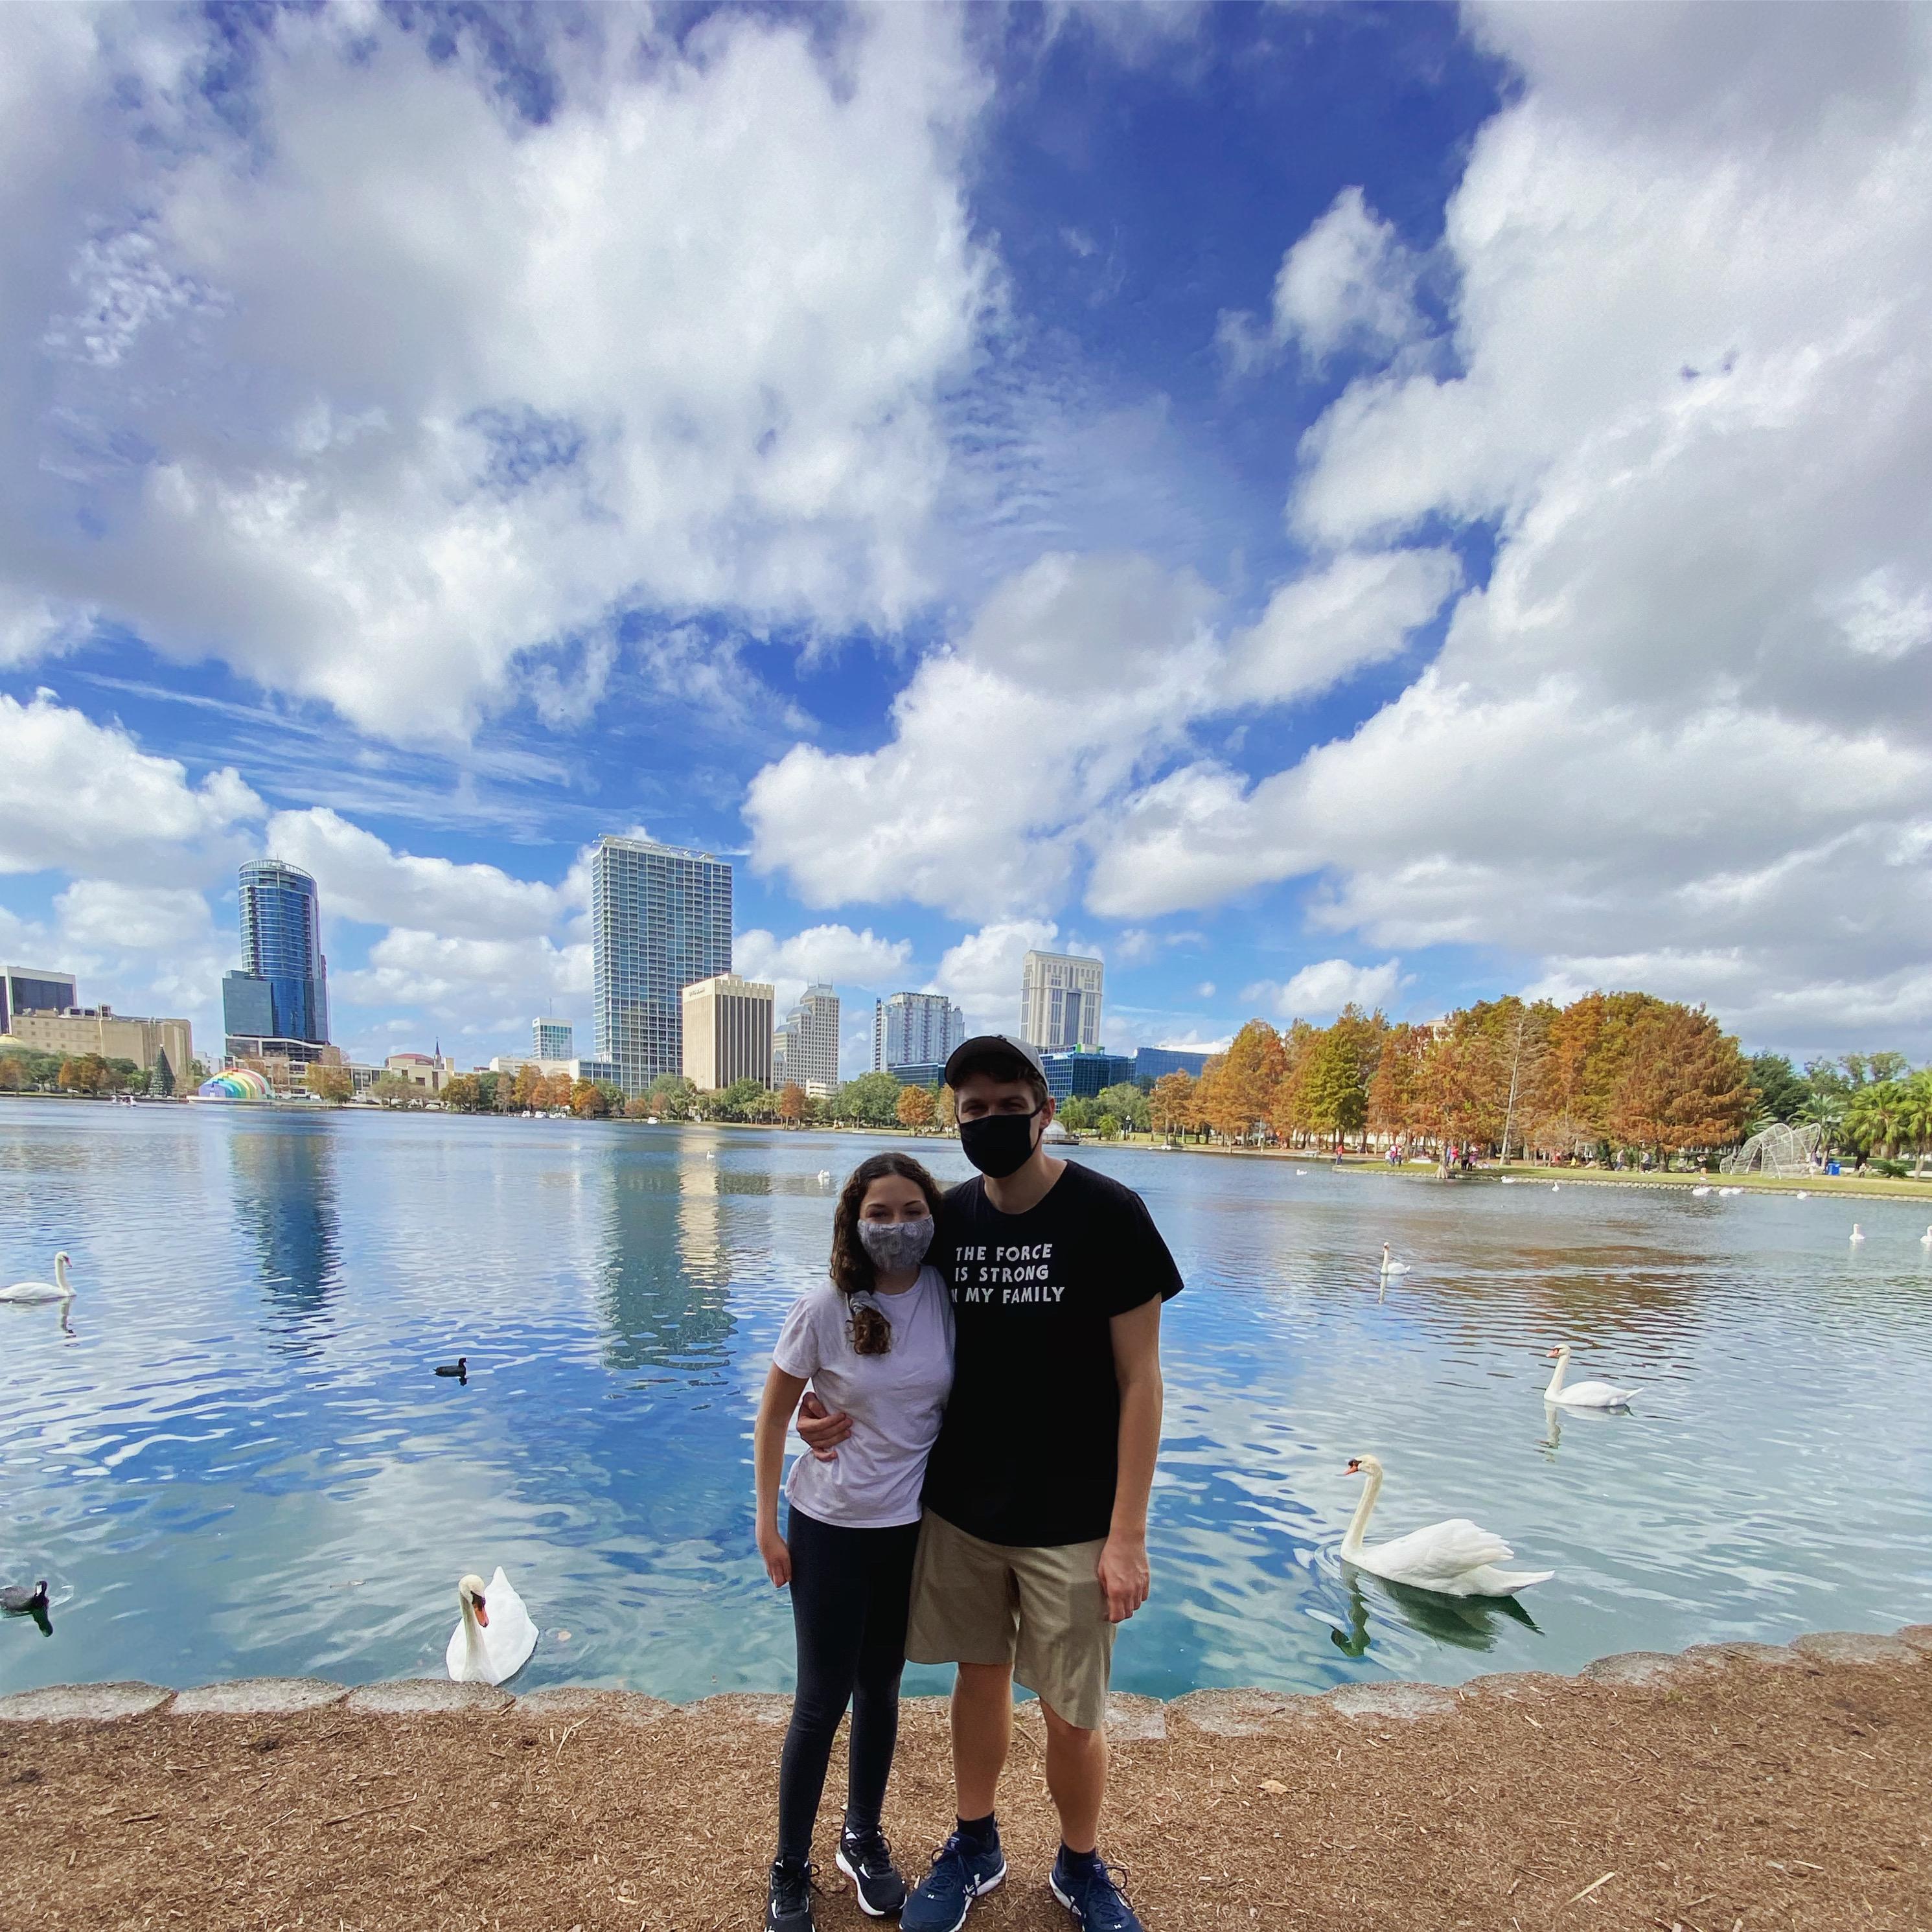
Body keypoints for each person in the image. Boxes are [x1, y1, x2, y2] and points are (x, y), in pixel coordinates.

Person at [799, 1035, 1182, 1932]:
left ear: (1043, 1109)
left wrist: (1128, 1532)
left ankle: (1079, 1864)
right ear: (955, 1119)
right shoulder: (948, 1221)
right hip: (961, 1507)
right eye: (971, 1109)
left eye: (1007, 1105)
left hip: (1074, 1516)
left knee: (1071, 1710)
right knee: (978, 1676)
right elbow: (870, 1319)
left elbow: (1141, 1380)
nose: (990, 1121)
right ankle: (975, 1840)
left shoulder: (1109, 1213)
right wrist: (818, 1403)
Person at [752, 1152, 954, 1932]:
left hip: (908, 1533)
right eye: (882, 1213)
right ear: (855, 1221)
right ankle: (789, 1867)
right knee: (819, 1702)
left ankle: (861, 1836)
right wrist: (767, 1524)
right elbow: (774, 1417)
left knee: (882, 1690)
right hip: (829, 1529)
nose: (898, 1227)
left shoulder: (946, 1296)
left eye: (912, 1211)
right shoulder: (821, 1308)